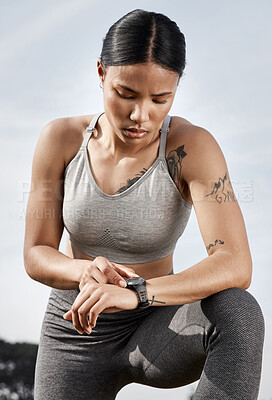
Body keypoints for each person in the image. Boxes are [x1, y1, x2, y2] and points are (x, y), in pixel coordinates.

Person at [23, 9, 264, 400]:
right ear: (101, 72)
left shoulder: (191, 148)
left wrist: (137, 292)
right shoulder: (61, 141)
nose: (141, 116)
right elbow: (36, 253)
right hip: (76, 328)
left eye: (160, 99)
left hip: (158, 324)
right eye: (126, 94)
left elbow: (235, 262)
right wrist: (84, 271)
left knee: (239, 312)